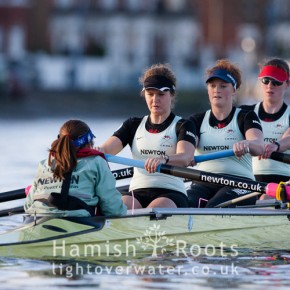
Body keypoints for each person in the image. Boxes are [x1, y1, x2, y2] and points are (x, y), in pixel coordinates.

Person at [100, 63, 196, 209]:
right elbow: (106, 150)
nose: (155, 100)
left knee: (155, 210)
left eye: (161, 94)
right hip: (138, 191)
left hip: (171, 193)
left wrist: (163, 160)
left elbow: (186, 157)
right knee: (120, 207)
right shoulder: (132, 125)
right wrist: (89, 152)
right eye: (150, 94)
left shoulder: (183, 125)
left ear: (171, 94)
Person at [187, 59, 264, 208]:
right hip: (204, 181)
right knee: (186, 203)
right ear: (208, 89)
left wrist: (247, 144)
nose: (217, 90)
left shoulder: (246, 117)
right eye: (212, 85)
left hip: (241, 183)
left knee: (215, 207)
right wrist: (186, 154)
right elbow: (188, 146)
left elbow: (259, 147)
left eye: (223, 86)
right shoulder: (196, 120)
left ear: (234, 90)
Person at [24, 120, 127, 217]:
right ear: (89, 142)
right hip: (78, 222)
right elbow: (113, 209)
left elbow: (28, 205)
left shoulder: (45, 164)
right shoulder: (96, 162)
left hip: (36, 219)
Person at [240, 58, 290, 191]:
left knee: (264, 197)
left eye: (276, 82)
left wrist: (276, 146)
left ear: (287, 84)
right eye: (266, 81)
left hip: (284, 181)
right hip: (249, 180)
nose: (270, 86)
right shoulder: (245, 113)